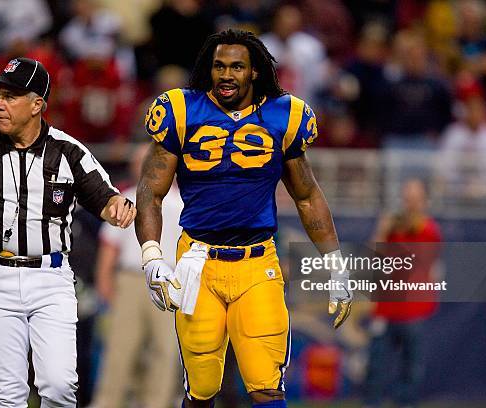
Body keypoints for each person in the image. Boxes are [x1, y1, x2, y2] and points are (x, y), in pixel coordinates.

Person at [135, 29, 351, 407]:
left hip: (257, 264)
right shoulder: (183, 110)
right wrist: (152, 253)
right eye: (219, 66)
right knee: (201, 389)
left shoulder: (283, 115)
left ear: (254, 72)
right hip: (197, 263)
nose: (226, 75)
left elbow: (306, 195)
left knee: (266, 386)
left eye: (237, 66)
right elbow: (150, 190)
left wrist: (334, 263)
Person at [0, 57, 135, 407]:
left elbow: (107, 197)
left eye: (10, 96)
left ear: (37, 104)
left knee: (59, 386)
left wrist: (117, 208)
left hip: (50, 279)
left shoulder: (69, 151)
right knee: (9, 394)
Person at [92, 143, 183, 408]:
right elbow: (110, 248)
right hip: (131, 280)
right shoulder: (126, 199)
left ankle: (157, 404)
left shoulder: (183, 201)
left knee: (165, 352)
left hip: (170, 282)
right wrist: (105, 285)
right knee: (120, 350)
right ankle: (106, 403)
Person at [364, 179, 442, 408]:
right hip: (386, 307)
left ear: (424, 201)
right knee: (377, 363)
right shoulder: (393, 228)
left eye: (414, 199)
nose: (409, 204)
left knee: (411, 366)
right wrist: (382, 229)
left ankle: (405, 403)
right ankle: (372, 403)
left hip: (413, 309)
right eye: (407, 198)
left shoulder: (428, 230)